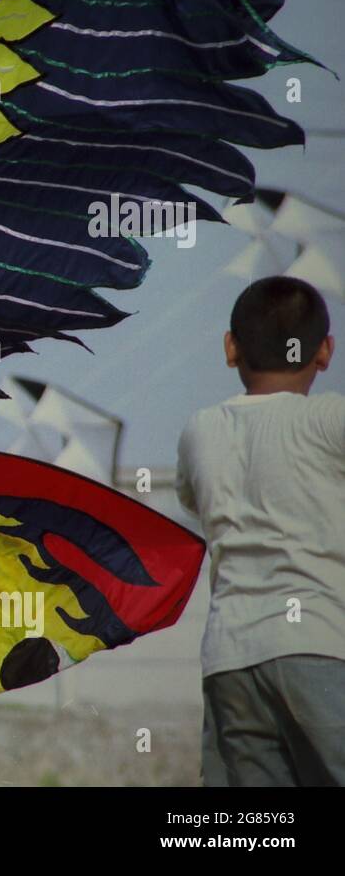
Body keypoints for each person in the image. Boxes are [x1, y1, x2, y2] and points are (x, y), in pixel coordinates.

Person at [176, 276, 345, 786]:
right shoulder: (330, 418)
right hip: (319, 644)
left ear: (231, 348)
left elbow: (193, 503)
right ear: (325, 350)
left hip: (231, 661)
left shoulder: (201, 429)